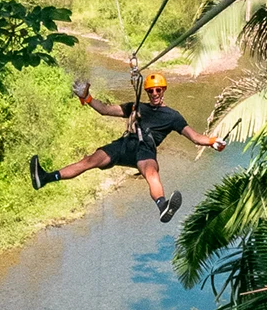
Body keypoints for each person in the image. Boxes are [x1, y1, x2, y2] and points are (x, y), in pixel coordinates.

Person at [29, 73, 226, 223]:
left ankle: (163, 206)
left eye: (158, 90)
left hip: (145, 150)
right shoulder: (136, 106)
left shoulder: (172, 116)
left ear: (164, 90)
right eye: (151, 91)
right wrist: (87, 98)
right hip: (124, 145)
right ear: (147, 92)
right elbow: (105, 110)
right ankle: (45, 178)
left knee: (151, 173)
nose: (154, 94)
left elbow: (194, 137)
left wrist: (212, 141)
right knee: (89, 161)